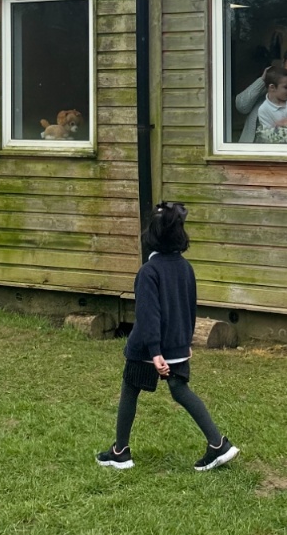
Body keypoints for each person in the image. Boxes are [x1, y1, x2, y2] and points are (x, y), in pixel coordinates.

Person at [96, 202, 238, 473]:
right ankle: (218, 444)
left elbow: (148, 315)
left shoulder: (148, 272)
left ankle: (120, 452)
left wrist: (154, 352)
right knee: (180, 390)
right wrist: (185, 342)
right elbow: (190, 307)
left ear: (151, 235)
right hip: (177, 345)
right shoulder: (186, 268)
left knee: (130, 388)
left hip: (148, 348)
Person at [235, 47, 287, 142]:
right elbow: (242, 106)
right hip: (251, 145)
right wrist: (263, 80)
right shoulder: (264, 87)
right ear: (283, 62)